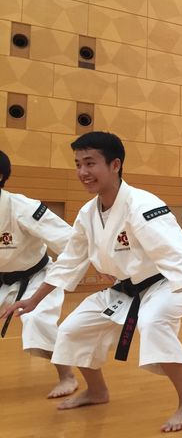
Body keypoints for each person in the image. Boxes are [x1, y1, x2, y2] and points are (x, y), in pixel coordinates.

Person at [1, 132, 182, 433]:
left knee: (153, 324)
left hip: (163, 285)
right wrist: (33, 300)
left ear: (115, 165)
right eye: (78, 164)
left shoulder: (141, 205)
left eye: (90, 163)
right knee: (72, 330)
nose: (82, 172)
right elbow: (70, 260)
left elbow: (177, 253)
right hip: (122, 290)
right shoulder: (88, 213)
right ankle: (97, 391)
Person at [0, 150, 77, 398]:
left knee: (37, 321)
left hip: (36, 275)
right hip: (2, 279)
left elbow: (71, 241)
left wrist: (102, 266)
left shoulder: (23, 207)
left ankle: (68, 376)